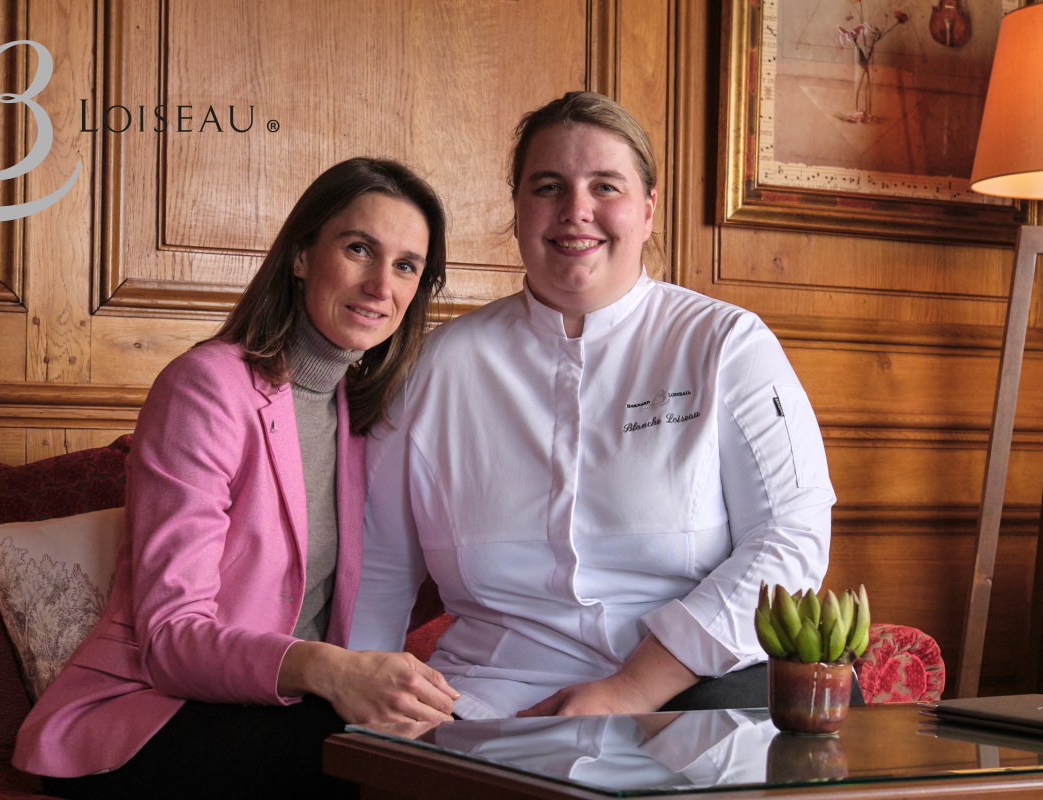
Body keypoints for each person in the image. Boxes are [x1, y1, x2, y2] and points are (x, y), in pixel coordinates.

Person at [350, 92, 840, 720]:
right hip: (485, 705)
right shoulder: (432, 367)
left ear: (648, 211)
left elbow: (789, 541)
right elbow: (381, 569)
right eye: (548, 186)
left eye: (605, 186)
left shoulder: (726, 345)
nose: (576, 211)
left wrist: (631, 689)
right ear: (518, 208)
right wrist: (366, 713)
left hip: (691, 696)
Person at [15, 157, 460, 799]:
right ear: (303, 255)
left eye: (406, 266)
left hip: (286, 712)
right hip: (151, 714)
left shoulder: (369, 420)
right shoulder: (208, 387)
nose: (379, 285)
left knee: (468, 752)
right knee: (393, 776)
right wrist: (332, 671)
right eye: (359, 248)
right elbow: (170, 641)